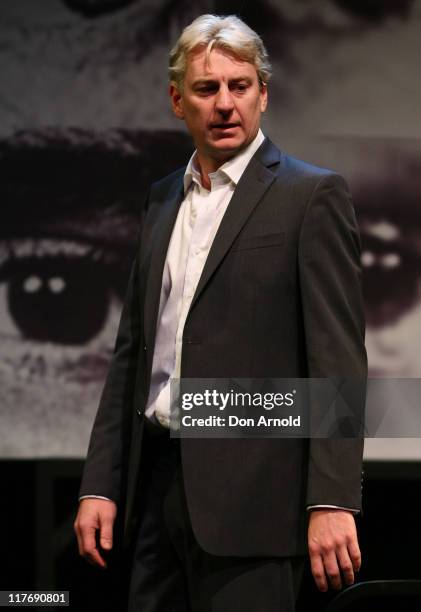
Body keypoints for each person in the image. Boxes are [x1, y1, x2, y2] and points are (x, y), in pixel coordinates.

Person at [74, 14, 367, 612]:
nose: (225, 104)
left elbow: (338, 360)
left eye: (240, 86)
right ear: (178, 101)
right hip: (155, 491)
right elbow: (133, 353)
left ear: (264, 94)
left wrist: (332, 500)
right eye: (208, 89)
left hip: (257, 504)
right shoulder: (161, 199)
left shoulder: (311, 196)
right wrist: (101, 484)